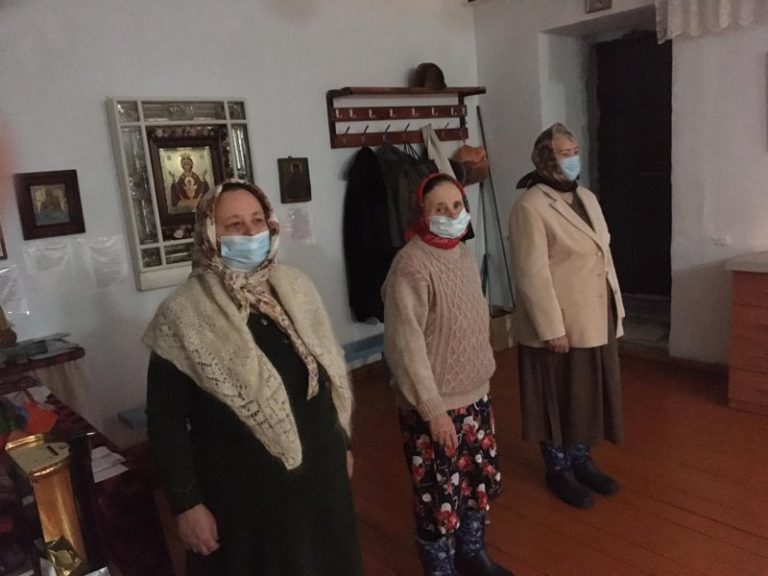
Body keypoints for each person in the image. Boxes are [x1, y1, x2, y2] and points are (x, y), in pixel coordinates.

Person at [143, 179, 363, 576]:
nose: (250, 233)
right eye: (234, 224)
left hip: (320, 477)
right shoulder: (183, 315)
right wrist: (187, 504)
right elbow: (165, 419)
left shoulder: (295, 287)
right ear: (210, 233)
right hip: (246, 499)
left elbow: (328, 374)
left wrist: (341, 443)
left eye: (257, 220)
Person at [383, 173, 513, 576]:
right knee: (438, 496)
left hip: (475, 395)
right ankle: (441, 568)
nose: (451, 214)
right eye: (439, 208)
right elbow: (405, 345)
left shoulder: (461, 252)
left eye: (456, 206)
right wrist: (433, 408)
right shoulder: (410, 264)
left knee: (475, 483)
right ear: (422, 213)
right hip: (436, 405)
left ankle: (473, 553)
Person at [509, 123, 625, 509]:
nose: (573, 159)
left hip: (593, 313)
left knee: (584, 392)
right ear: (546, 158)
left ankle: (581, 459)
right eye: (565, 153)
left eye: (576, 151)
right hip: (558, 323)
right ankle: (557, 468)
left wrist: (615, 307)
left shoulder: (586, 197)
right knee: (554, 395)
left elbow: (601, 253)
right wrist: (551, 329)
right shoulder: (530, 207)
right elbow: (531, 274)